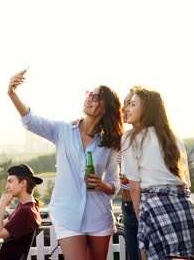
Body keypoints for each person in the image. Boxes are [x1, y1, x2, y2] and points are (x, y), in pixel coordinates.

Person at [7, 69, 123, 260]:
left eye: (95, 97)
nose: (89, 99)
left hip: (98, 215)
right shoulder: (63, 131)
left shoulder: (110, 143)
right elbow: (30, 121)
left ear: (106, 107)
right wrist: (12, 94)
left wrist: (103, 185)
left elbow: (114, 182)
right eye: (89, 94)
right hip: (67, 214)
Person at [120, 86, 194, 260]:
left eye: (132, 104)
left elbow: (134, 187)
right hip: (183, 207)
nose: (127, 109)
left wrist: (140, 220)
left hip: (153, 206)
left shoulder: (130, 138)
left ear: (146, 109)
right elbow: (185, 183)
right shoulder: (173, 137)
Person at [0, 164, 43, 260]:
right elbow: (3, 224)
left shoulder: (26, 212)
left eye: (10, 181)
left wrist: (2, 206)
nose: (7, 186)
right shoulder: (25, 207)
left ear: (23, 183)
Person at [118, 86, 141, 260]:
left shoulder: (149, 138)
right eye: (124, 103)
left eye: (130, 103)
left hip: (141, 206)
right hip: (126, 206)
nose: (124, 108)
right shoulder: (124, 137)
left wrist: (133, 176)